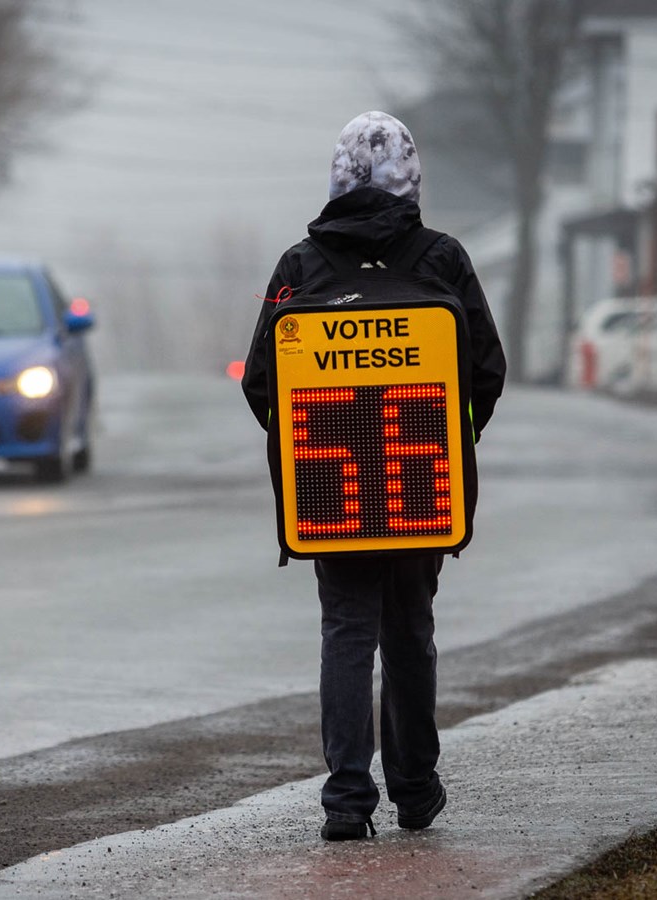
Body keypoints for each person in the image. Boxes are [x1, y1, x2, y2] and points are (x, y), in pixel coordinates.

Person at [241, 111, 507, 840]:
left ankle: (346, 801)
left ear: (338, 179)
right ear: (410, 178)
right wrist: (450, 440)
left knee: (346, 630)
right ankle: (416, 792)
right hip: (423, 480)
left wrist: (305, 443)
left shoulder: (302, 267)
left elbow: (261, 381)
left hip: (330, 489)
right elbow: (487, 369)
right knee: (409, 630)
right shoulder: (442, 259)